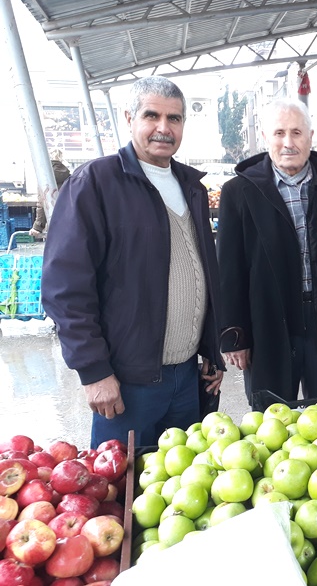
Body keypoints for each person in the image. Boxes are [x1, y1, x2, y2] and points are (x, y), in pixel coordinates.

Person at [41, 76, 224, 448]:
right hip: (128, 383)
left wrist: (211, 349)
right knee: (121, 492)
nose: (164, 128)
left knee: (180, 492)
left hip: (187, 377)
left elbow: (203, 272)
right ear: (128, 118)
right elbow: (65, 288)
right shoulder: (96, 183)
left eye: (174, 119)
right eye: (152, 115)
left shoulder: (192, 187)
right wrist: (94, 372)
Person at [217, 99, 317, 411]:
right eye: (279, 133)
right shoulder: (239, 192)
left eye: (296, 132)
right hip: (267, 320)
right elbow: (229, 270)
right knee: (271, 416)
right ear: (266, 136)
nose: (288, 142)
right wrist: (235, 336)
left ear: (311, 137)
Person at [30, 159, 71, 237]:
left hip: (55, 223)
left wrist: (37, 227)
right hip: (74, 221)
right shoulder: (70, 178)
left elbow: (42, 203)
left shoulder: (44, 180)